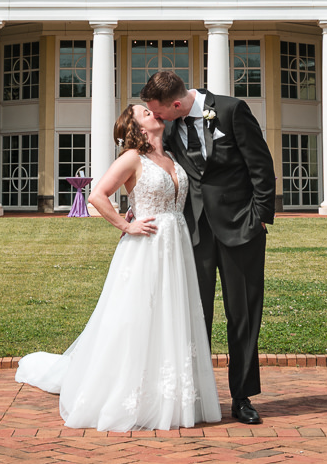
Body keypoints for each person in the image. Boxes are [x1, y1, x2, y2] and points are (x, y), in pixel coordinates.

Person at [15, 102, 221, 431]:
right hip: (145, 248)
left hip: (176, 245)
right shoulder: (131, 158)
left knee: (171, 317)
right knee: (136, 317)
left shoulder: (170, 158)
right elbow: (98, 195)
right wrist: (127, 225)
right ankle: (127, 393)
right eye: (144, 111)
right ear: (137, 127)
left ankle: (172, 396)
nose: (152, 111)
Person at [141, 69, 274, 426]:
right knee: (194, 316)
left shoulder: (232, 111)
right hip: (192, 233)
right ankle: (196, 397)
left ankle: (242, 397)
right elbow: (157, 168)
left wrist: (260, 217)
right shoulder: (168, 126)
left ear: (178, 103)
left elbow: (261, 165)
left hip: (241, 229)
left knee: (243, 315)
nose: (156, 118)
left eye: (159, 111)